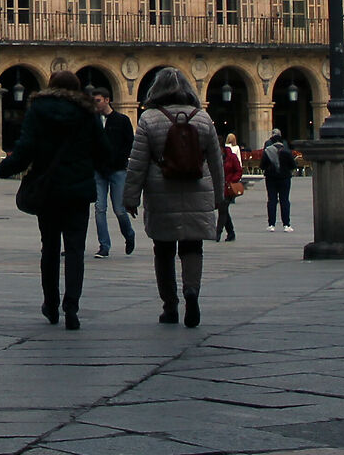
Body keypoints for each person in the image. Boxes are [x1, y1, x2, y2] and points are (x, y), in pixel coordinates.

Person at [0, 70, 107, 327]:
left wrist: (5, 168)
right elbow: (103, 150)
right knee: (76, 250)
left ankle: (51, 304)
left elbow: (26, 147)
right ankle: (72, 308)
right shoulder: (87, 112)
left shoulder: (39, 109)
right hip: (78, 191)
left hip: (48, 190)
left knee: (50, 248)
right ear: (78, 88)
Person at [119, 66, 227, 328]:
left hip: (161, 191)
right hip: (197, 189)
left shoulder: (149, 119)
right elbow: (216, 161)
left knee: (163, 250)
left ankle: (170, 306)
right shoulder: (202, 118)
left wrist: (130, 197)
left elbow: (138, 163)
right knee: (192, 247)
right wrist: (219, 197)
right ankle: (192, 291)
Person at [88, 90, 136, 257]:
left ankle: (129, 234)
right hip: (98, 171)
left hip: (117, 170)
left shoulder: (122, 120)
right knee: (99, 208)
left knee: (119, 209)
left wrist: (120, 160)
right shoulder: (93, 122)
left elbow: (129, 143)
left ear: (107, 100)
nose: (96, 104)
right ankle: (104, 246)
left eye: (98, 100)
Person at [260, 129, 296, 231]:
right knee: (284, 200)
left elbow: (262, 166)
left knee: (272, 200)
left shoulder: (267, 151)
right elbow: (293, 165)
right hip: (284, 178)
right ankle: (286, 224)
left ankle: (271, 224)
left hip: (271, 178)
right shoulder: (286, 151)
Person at [217, 134, 243, 242]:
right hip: (218, 187)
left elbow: (239, 170)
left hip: (228, 188)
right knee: (224, 211)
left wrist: (232, 180)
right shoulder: (213, 156)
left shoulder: (231, 156)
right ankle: (231, 232)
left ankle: (217, 233)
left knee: (222, 210)